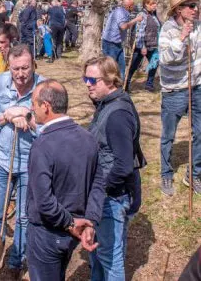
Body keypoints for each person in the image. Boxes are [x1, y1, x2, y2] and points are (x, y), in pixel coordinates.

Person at [27, 79, 104, 281]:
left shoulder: (42, 145)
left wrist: (71, 223)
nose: (31, 108)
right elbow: (97, 185)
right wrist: (90, 222)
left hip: (47, 233)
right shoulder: (88, 138)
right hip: (73, 234)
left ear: (46, 106)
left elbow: (44, 201)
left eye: (34, 103)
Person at [0, 44, 46, 278]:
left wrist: (28, 118)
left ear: (33, 65)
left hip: (32, 163)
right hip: (2, 160)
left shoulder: (44, 86)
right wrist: (6, 115)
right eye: (16, 69)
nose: (20, 74)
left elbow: (50, 126)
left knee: (24, 216)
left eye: (25, 68)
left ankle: (15, 262)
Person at [83, 56, 146, 281]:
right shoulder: (106, 104)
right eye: (85, 78)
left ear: (110, 80)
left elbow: (123, 165)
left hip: (113, 197)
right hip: (105, 195)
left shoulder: (117, 114)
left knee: (110, 258)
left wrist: (100, 191)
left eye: (93, 79)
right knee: (99, 252)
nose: (87, 83)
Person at [158, 0, 201, 196]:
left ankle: (193, 174)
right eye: (191, 6)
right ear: (178, 10)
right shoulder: (168, 29)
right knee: (168, 135)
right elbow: (165, 59)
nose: (196, 9)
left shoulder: (199, 26)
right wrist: (182, 38)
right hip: (174, 90)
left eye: (196, 5)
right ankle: (166, 173)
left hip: (197, 86)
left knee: (200, 132)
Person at [101, 0, 143, 79]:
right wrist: (136, 20)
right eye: (133, 5)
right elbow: (123, 26)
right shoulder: (120, 12)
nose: (134, 6)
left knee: (121, 67)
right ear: (129, 6)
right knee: (110, 68)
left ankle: (120, 88)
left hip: (117, 43)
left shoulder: (122, 11)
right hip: (110, 44)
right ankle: (108, 87)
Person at [125, 0, 161, 93]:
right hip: (142, 46)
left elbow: (157, 29)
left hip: (153, 45)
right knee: (133, 66)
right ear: (146, 4)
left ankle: (149, 85)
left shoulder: (154, 15)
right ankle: (126, 85)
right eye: (153, 4)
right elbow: (140, 32)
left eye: (155, 3)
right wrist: (142, 47)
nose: (155, 6)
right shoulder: (142, 15)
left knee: (154, 63)